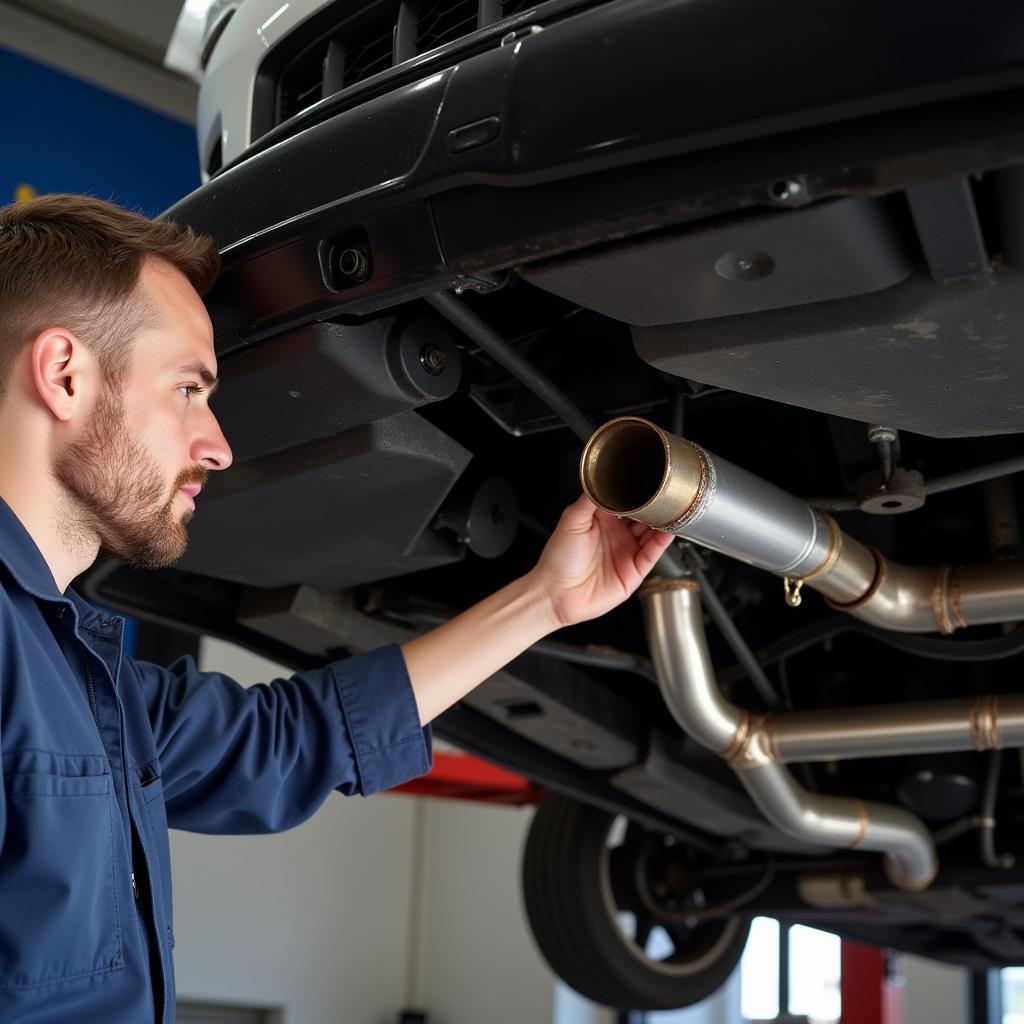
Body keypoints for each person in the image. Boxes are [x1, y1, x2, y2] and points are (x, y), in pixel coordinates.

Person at [0, 194, 674, 1023]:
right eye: (187, 389)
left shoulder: (78, 676)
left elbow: (286, 742)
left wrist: (544, 600)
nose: (217, 443)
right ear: (64, 374)